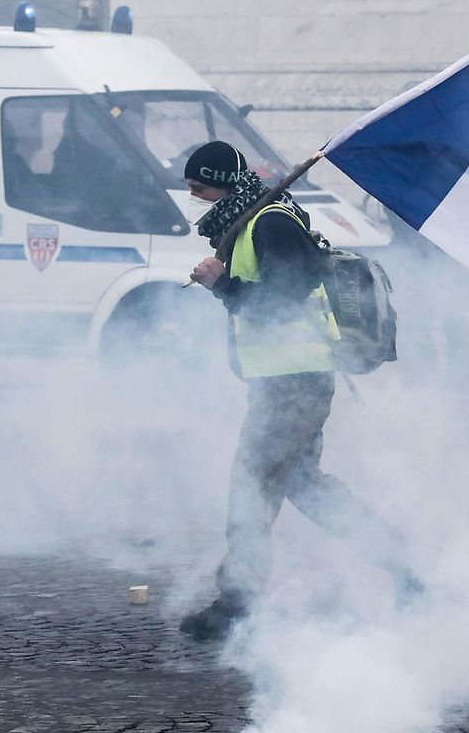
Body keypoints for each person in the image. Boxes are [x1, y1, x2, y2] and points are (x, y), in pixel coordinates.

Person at [178, 141, 422, 642]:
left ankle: (237, 605)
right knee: (305, 486)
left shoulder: (268, 222)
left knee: (251, 487)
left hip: (293, 381)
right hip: (286, 378)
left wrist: (219, 285)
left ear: (221, 180)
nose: (193, 195)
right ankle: (403, 567)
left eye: (198, 185)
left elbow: (282, 303)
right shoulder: (252, 218)